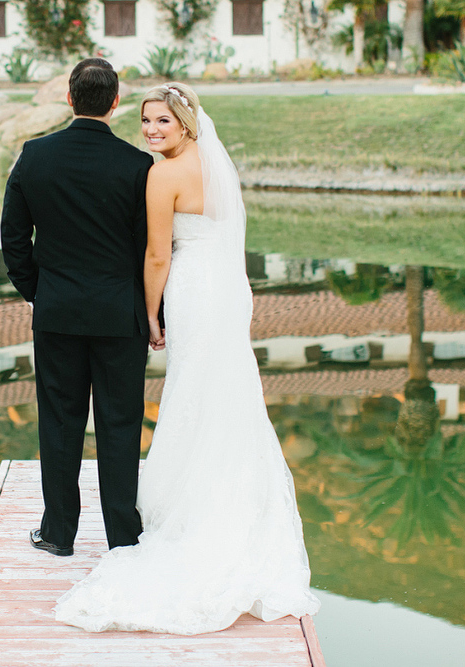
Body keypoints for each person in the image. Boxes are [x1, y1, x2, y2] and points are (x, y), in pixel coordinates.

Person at [53, 82, 320, 635]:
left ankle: (191, 510)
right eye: (146, 121)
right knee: (227, 388)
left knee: (195, 388)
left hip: (193, 288)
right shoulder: (219, 167)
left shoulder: (163, 175)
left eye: (162, 123)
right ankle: (234, 503)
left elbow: (156, 254)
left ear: (187, 124)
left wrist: (150, 315)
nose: (151, 130)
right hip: (228, 288)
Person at [0, 58, 155, 558]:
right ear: (115, 103)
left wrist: (36, 291)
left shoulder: (34, 155)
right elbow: (149, 248)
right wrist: (152, 311)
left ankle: (58, 533)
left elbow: (13, 236)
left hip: (58, 311)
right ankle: (123, 537)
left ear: (69, 99)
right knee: (120, 422)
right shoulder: (138, 166)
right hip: (120, 315)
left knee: (60, 421)